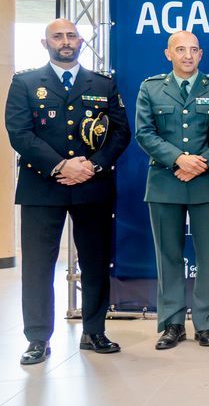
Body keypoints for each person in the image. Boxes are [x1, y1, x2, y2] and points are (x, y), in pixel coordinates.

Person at [5, 18, 130, 365]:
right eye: (57, 36)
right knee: (37, 267)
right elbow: (19, 133)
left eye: (71, 35)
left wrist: (93, 165)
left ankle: (94, 331)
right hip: (41, 187)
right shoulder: (26, 82)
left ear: (81, 41)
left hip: (93, 185)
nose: (65, 41)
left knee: (95, 261)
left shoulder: (103, 84)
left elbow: (120, 133)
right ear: (45, 43)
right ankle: (37, 339)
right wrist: (62, 166)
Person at [134, 30, 209, 350]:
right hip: (164, 183)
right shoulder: (151, 88)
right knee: (169, 257)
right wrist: (178, 160)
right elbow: (144, 134)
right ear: (168, 54)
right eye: (180, 50)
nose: (188, 55)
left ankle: (205, 323)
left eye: (193, 50)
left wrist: (201, 164)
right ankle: (172, 323)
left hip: (207, 182)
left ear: (201, 54)